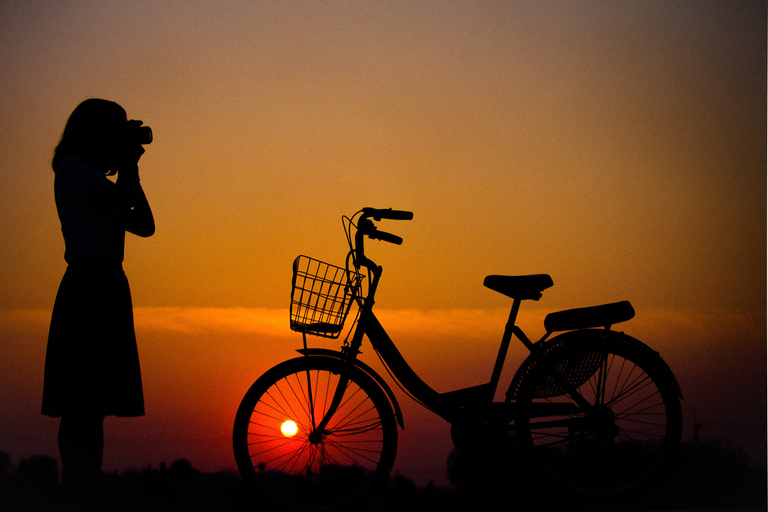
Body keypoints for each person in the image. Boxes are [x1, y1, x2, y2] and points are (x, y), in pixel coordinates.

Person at [42, 98, 155, 510]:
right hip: (87, 284)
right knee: (80, 406)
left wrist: (132, 167)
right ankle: (77, 493)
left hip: (107, 284)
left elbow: (145, 225)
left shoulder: (96, 176)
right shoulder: (72, 169)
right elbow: (115, 203)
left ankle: (84, 493)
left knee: (96, 406)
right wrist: (126, 163)